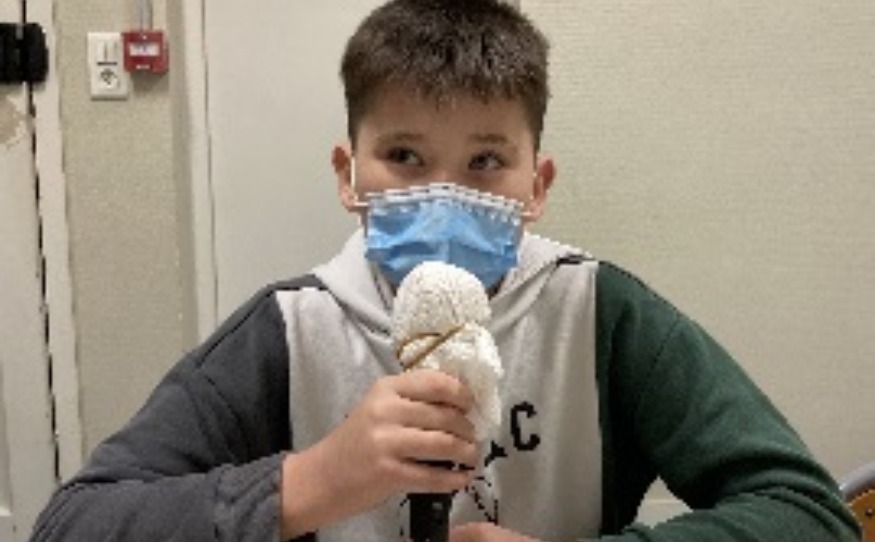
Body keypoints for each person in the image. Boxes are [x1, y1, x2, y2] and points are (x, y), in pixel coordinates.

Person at [30, 1, 860, 541]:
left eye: (485, 161)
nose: (441, 195)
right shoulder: (288, 330)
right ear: (347, 174)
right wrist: (313, 480)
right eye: (403, 156)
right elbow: (73, 523)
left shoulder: (600, 312)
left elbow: (806, 512)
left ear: (536, 186)